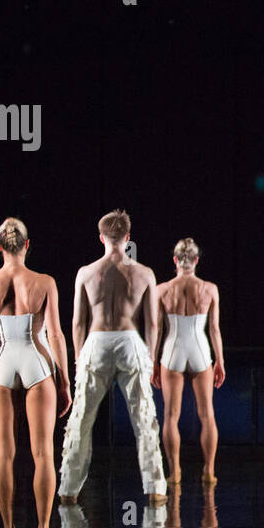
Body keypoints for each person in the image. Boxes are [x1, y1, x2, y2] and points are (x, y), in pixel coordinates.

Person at [0, 218, 72, 528]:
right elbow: (56, 334)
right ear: (27, 245)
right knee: (43, 453)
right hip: (37, 363)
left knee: (4, 453)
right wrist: (65, 381)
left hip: (0, 365)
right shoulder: (44, 282)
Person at [59, 209, 168, 506]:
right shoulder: (144, 273)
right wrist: (151, 359)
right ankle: (156, 488)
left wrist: (80, 356)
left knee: (81, 419)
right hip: (130, 338)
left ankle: (68, 490)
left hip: (96, 340)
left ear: (102, 238)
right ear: (128, 237)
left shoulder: (86, 272)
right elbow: (153, 323)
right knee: (144, 417)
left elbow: (78, 322)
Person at [154, 237, 226, 487]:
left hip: (172, 350)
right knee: (207, 414)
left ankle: (174, 472)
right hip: (200, 349)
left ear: (175, 260)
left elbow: (157, 330)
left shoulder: (162, 290)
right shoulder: (209, 289)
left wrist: (154, 361)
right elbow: (214, 329)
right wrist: (220, 361)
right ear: (196, 260)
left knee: (170, 415)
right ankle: (209, 470)